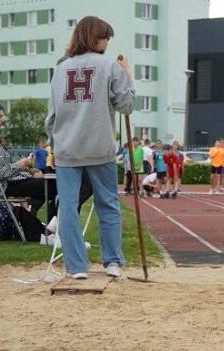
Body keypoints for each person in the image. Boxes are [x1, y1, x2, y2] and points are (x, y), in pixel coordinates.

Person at [46, 15, 135, 280]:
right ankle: (113, 261)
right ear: (96, 38)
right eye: (106, 37)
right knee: (107, 204)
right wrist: (128, 76)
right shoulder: (110, 66)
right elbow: (126, 106)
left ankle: (76, 267)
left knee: (69, 208)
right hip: (100, 147)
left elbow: (51, 115)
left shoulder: (60, 68)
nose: (108, 42)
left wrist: (53, 146)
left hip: (67, 147)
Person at [0, 101, 55, 220]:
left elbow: (0, 169)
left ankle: (32, 218)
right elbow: (1, 173)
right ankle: (47, 224)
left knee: (51, 183)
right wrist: (19, 165)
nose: (2, 120)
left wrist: (21, 167)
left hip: (5, 183)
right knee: (57, 185)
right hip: (5, 185)